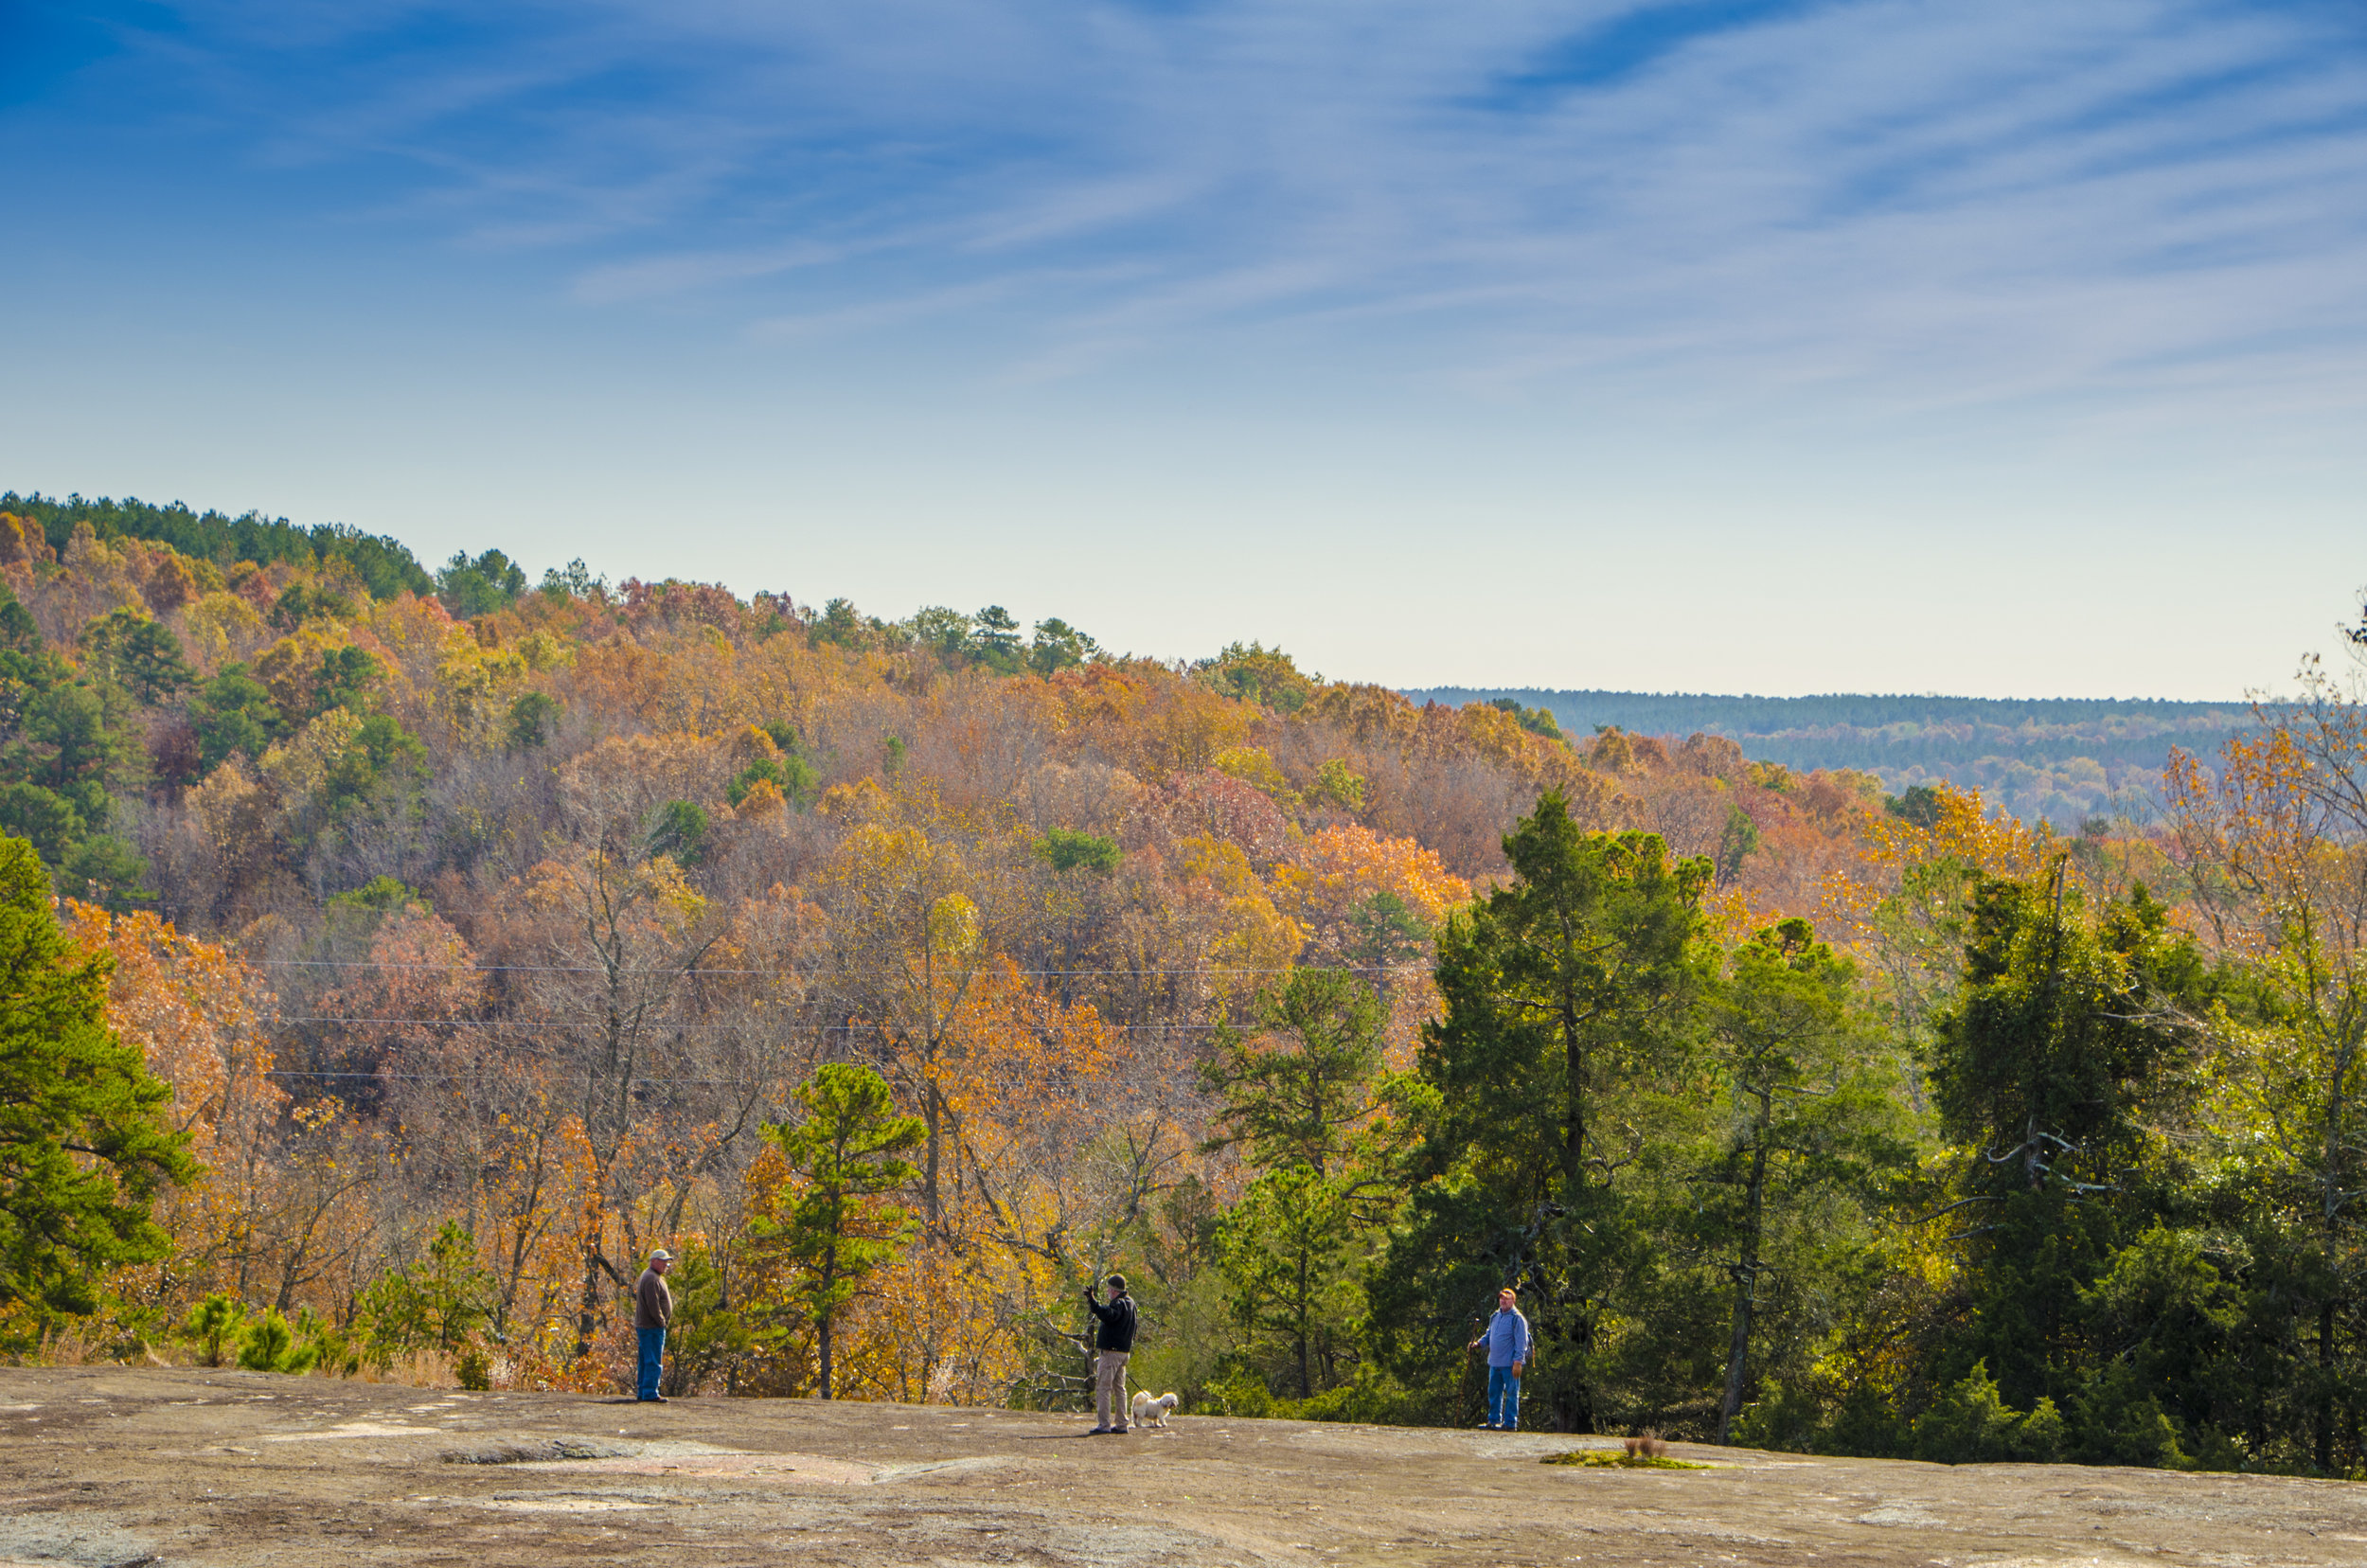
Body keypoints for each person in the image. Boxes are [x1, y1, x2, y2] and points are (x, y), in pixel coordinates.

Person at [1083, 1273, 1138, 1434]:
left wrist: (1092, 1301)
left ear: (1114, 1290)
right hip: (1123, 1353)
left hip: (1111, 1353)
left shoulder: (1119, 1303)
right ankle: (1122, 1424)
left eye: (1109, 1289)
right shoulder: (1131, 1303)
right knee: (1120, 1388)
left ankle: (1104, 1425)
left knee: (1103, 1388)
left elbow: (1108, 1315)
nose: (1107, 1292)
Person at [1468, 1286, 1529, 1431]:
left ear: (1513, 1301)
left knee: (1512, 1393)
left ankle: (1510, 1423)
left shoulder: (1517, 1319)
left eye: (1506, 1299)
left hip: (1510, 1364)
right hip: (1495, 1362)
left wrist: (1518, 1362)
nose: (1503, 1301)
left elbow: (1522, 1342)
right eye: (1501, 1298)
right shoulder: (1495, 1316)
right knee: (1494, 1392)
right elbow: (1489, 1334)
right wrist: (1478, 1344)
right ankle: (1493, 1420)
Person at [634, 1248, 675, 1403]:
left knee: (646, 1359)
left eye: (667, 1263)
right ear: (654, 1261)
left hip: (647, 1326)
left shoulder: (652, 1276)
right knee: (653, 1360)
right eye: (664, 1262)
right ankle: (650, 1392)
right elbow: (653, 1305)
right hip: (651, 1327)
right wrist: (661, 1322)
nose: (666, 1265)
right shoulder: (651, 1278)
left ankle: (644, 1391)